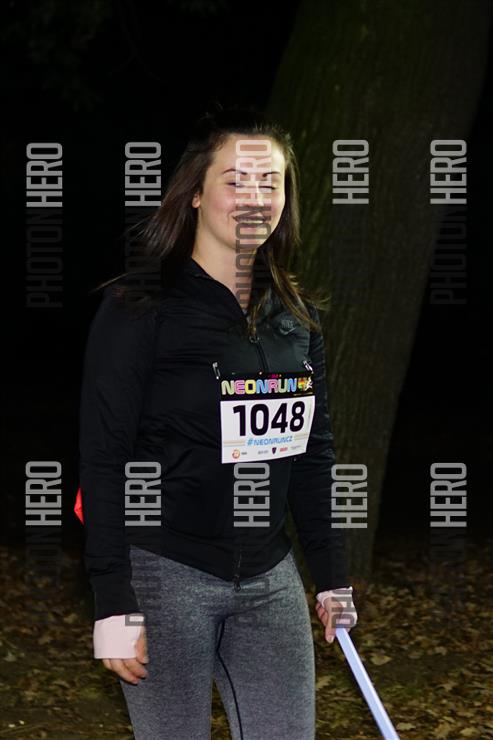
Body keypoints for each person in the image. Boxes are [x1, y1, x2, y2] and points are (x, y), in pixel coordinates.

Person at [78, 102, 358, 740]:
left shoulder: (297, 315)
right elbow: (103, 455)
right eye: (237, 180)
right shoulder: (139, 307)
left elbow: (313, 454)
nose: (256, 197)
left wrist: (332, 578)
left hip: (270, 578)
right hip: (164, 572)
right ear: (197, 194)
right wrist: (112, 597)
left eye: (270, 182)